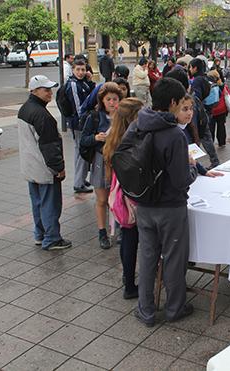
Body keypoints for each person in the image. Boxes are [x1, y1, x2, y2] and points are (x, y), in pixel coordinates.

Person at [132, 78, 198, 327]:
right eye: (181, 102)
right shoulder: (174, 135)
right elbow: (181, 181)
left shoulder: (139, 124)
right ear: (172, 103)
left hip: (144, 204)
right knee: (173, 258)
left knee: (148, 257)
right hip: (171, 207)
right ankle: (174, 307)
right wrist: (192, 169)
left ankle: (146, 310)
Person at [18, 75, 71, 251]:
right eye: (46, 89)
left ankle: (40, 235)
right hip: (44, 167)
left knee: (38, 203)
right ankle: (52, 239)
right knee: (51, 204)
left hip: (30, 165)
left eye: (50, 89)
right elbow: (50, 146)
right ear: (34, 91)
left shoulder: (25, 109)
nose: (50, 93)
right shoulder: (42, 115)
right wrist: (59, 168)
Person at [103, 98, 144, 298]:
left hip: (119, 195)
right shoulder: (134, 139)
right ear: (133, 118)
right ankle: (131, 286)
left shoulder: (113, 135)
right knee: (135, 239)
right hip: (133, 197)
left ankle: (128, 280)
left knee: (127, 238)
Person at [80, 82, 124, 249]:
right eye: (108, 99)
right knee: (102, 199)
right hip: (100, 160)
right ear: (102, 101)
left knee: (118, 197)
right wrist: (96, 138)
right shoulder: (95, 117)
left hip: (119, 161)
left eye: (115, 99)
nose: (112, 103)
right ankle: (102, 232)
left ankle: (120, 228)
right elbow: (83, 139)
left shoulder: (123, 117)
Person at [66, 60, 95, 194]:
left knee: (81, 151)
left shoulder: (82, 82)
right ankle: (78, 183)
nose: (81, 72)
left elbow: (90, 95)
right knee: (81, 152)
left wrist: (89, 81)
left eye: (83, 69)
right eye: (78, 69)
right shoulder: (73, 84)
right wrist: (83, 123)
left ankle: (81, 179)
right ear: (73, 70)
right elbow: (79, 107)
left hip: (82, 122)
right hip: (79, 124)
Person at [189, 58, 220, 167]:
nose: (189, 69)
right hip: (207, 110)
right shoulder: (206, 78)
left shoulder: (197, 80)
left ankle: (194, 164)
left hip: (199, 112)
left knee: (197, 138)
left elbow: (195, 97)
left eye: (191, 67)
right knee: (206, 137)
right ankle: (215, 161)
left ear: (195, 68)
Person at [207, 70, 228, 147]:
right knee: (221, 126)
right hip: (222, 109)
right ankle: (222, 142)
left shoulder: (209, 86)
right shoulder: (223, 86)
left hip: (212, 109)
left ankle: (211, 143)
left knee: (211, 128)